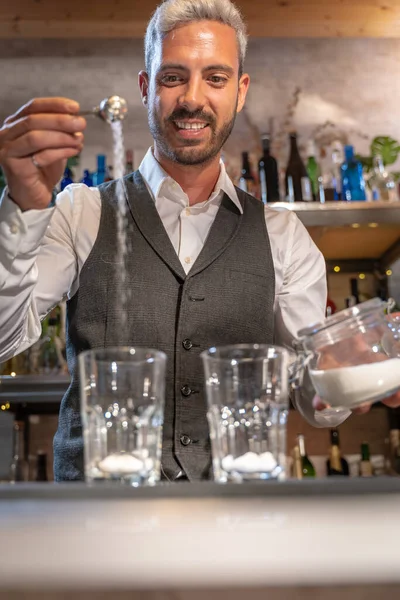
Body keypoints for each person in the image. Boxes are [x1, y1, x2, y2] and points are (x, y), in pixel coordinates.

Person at [0, 0, 399, 481]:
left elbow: (309, 393)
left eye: (215, 77)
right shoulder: (80, 211)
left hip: (235, 521)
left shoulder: (283, 235)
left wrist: (342, 376)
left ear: (240, 91)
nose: (193, 98)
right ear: (145, 88)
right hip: (96, 516)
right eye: (172, 77)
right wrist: (22, 208)